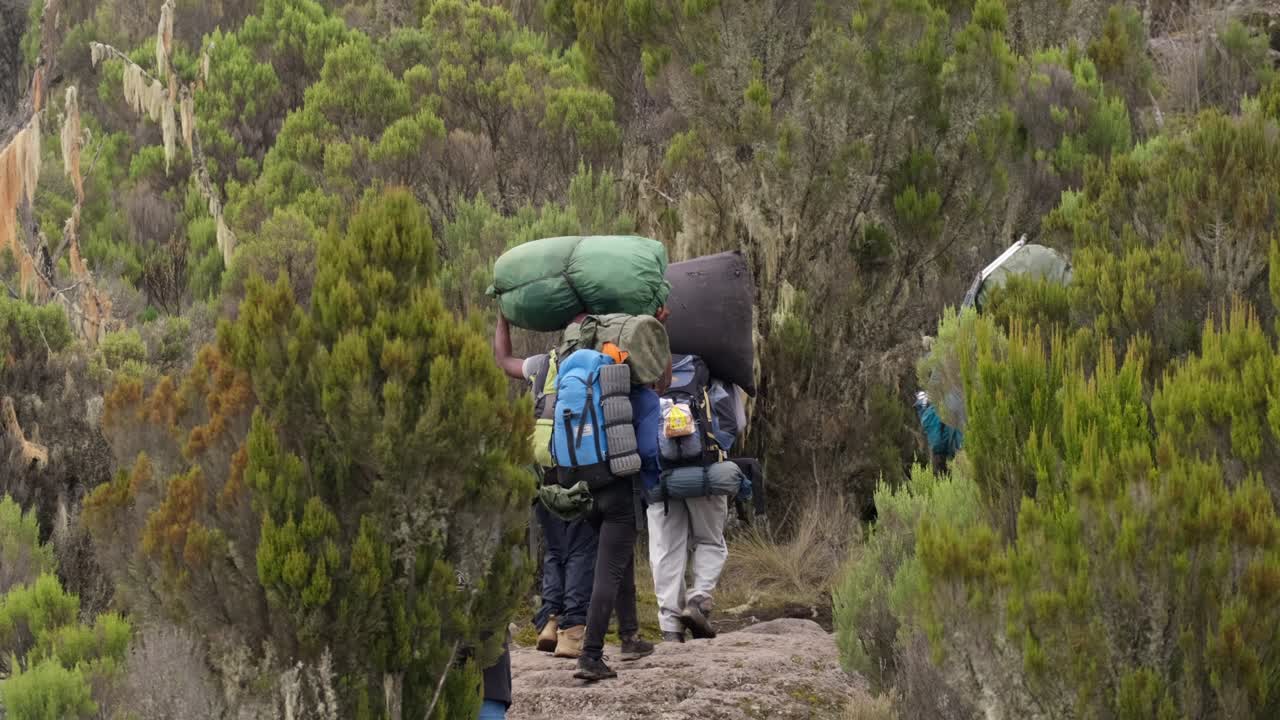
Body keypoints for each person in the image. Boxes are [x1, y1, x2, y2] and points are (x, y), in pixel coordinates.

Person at [572, 306, 669, 682]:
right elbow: (646, 451)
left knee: (619, 557)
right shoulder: (643, 400)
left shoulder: (593, 392)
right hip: (621, 490)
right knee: (609, 569)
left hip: (587, 484)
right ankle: (591, 655)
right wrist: (652, 478)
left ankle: (629, 635)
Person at [493, 313, 597, 659]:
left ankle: (548, 623)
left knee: (555, 551)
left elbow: (504, 361)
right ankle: (573, 630)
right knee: (581, 550)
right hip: (585, 472)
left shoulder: (542, 364)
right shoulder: (603, 360)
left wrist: (503, 322)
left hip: (545, 471)